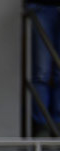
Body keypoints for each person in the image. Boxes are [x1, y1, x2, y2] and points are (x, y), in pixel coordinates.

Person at [30, 0, 60, 133]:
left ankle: (57, 122)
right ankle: (41, 124)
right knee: (42, 72)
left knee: (57, 73)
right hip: (42, 6)